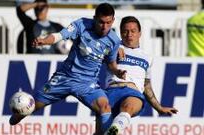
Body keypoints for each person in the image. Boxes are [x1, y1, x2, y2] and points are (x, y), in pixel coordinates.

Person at [9, 3, 126, 133]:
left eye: (108, 23)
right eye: (101, 22)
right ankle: (17, 114)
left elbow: (111, 64)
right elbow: (59, 36)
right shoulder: (81, 24)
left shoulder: (114, 40)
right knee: (31, 106)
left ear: (113, 20)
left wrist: (117, 71)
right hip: (64, 77)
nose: (105, 27)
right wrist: (45, 41)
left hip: (87, 83)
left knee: (104, 106)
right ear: (94, 18)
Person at [95, 16, 178, 135]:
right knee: (99, 133)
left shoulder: (147, 57)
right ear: (121, 33)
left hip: (132, 92)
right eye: (125, 31)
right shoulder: (112, 48)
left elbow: (146, 85)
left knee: (127, 107)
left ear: (140, 33)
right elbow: (95, 44)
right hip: (111, 91)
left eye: (133, 31)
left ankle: (114, 132)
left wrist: (159, 108)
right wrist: (112, 47)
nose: (129, 34)